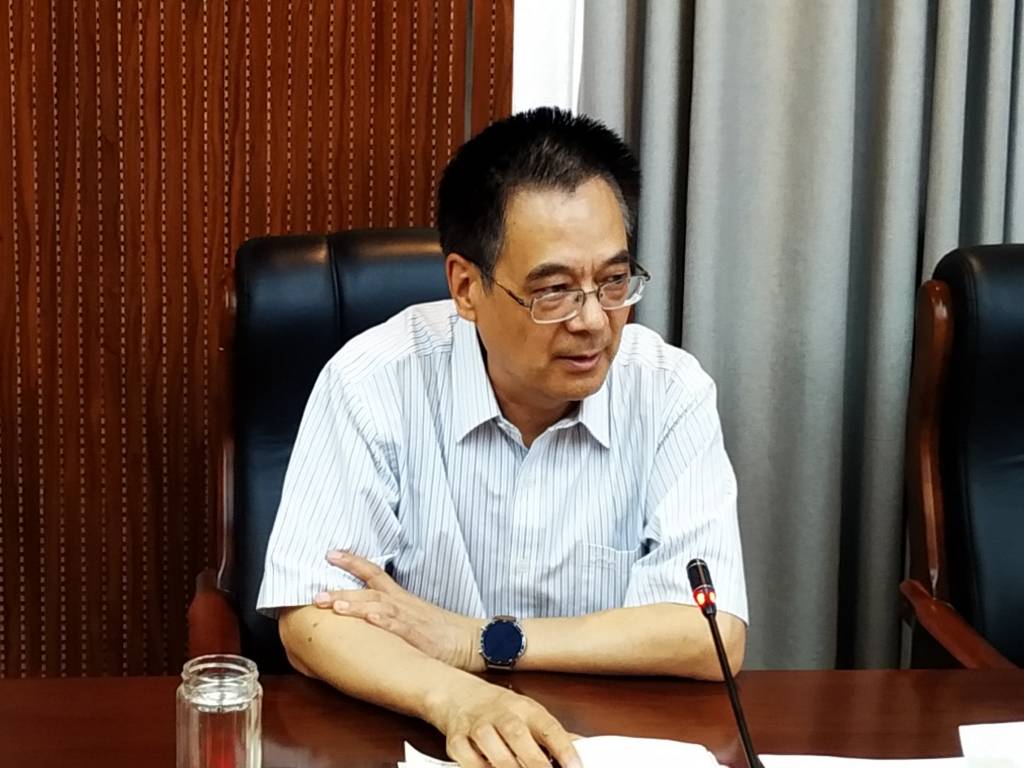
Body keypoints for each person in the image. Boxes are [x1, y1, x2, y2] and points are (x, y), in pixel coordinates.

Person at [256, 106, 748, 768]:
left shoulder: (669, 391)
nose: (594, 321)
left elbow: (711, 633)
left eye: (613, 281)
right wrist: (458, 698)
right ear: (466, 287)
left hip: (605, 744)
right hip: (420, 739)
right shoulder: (374, 380)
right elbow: (312, 618)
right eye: (555, 291)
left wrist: (480, 640)